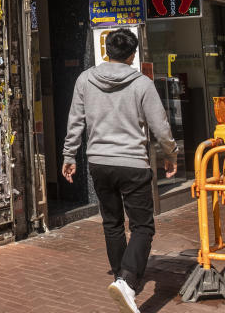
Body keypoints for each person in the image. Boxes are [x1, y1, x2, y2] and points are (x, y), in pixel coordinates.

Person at [62, 28, 178, 313]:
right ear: (132, 55)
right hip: (133, 164)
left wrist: (69, 154)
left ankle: (121, 279)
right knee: (142, 226)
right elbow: (160, 127)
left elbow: (75, 120)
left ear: (106, 50)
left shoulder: (85, 79)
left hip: (100, 163)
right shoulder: (142, 84)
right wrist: (170, 154)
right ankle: (127, 281)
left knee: (112, 223)